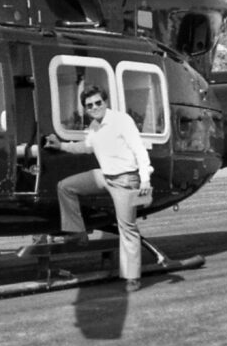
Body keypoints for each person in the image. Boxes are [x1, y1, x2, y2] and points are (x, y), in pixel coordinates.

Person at [44, 85, 153, 292]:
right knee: (65, 187)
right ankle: (78, 233)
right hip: (105, 176)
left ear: (105, 102)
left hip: (125, 180)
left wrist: (145, 179)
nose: (94, 107)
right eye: (89, 105)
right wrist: (60, 146)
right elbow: (86, 146)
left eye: (98, 103)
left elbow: (139, 149)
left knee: (127, 228)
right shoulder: (94, 126)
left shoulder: (122, 120)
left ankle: (132, 278)